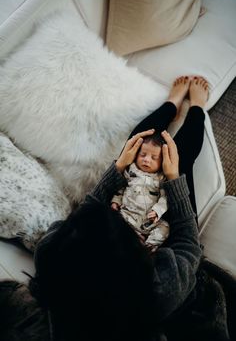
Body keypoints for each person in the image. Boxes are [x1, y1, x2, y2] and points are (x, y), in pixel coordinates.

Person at [5, 75, 231, 341]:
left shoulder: (51, 256)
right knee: (180, 160)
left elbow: (83, 216)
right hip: (164, 244)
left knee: (136, 147)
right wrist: (173, 179)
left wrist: (119, 168)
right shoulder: (159, 291)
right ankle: (196, 108)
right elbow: (189, 245)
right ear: (137, 252)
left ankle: (172, 103)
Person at [111, 132, 169, 251]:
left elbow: (165, 198)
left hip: (147, 222)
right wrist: (115, 202)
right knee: (111, 219)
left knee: (165, 227)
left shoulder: (160, 178)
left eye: (154, 158)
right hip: (126, 216)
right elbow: (121, 188)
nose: (147, 160)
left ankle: (149, 246)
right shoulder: (131, 171)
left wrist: (157, 211)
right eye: (143, 155)